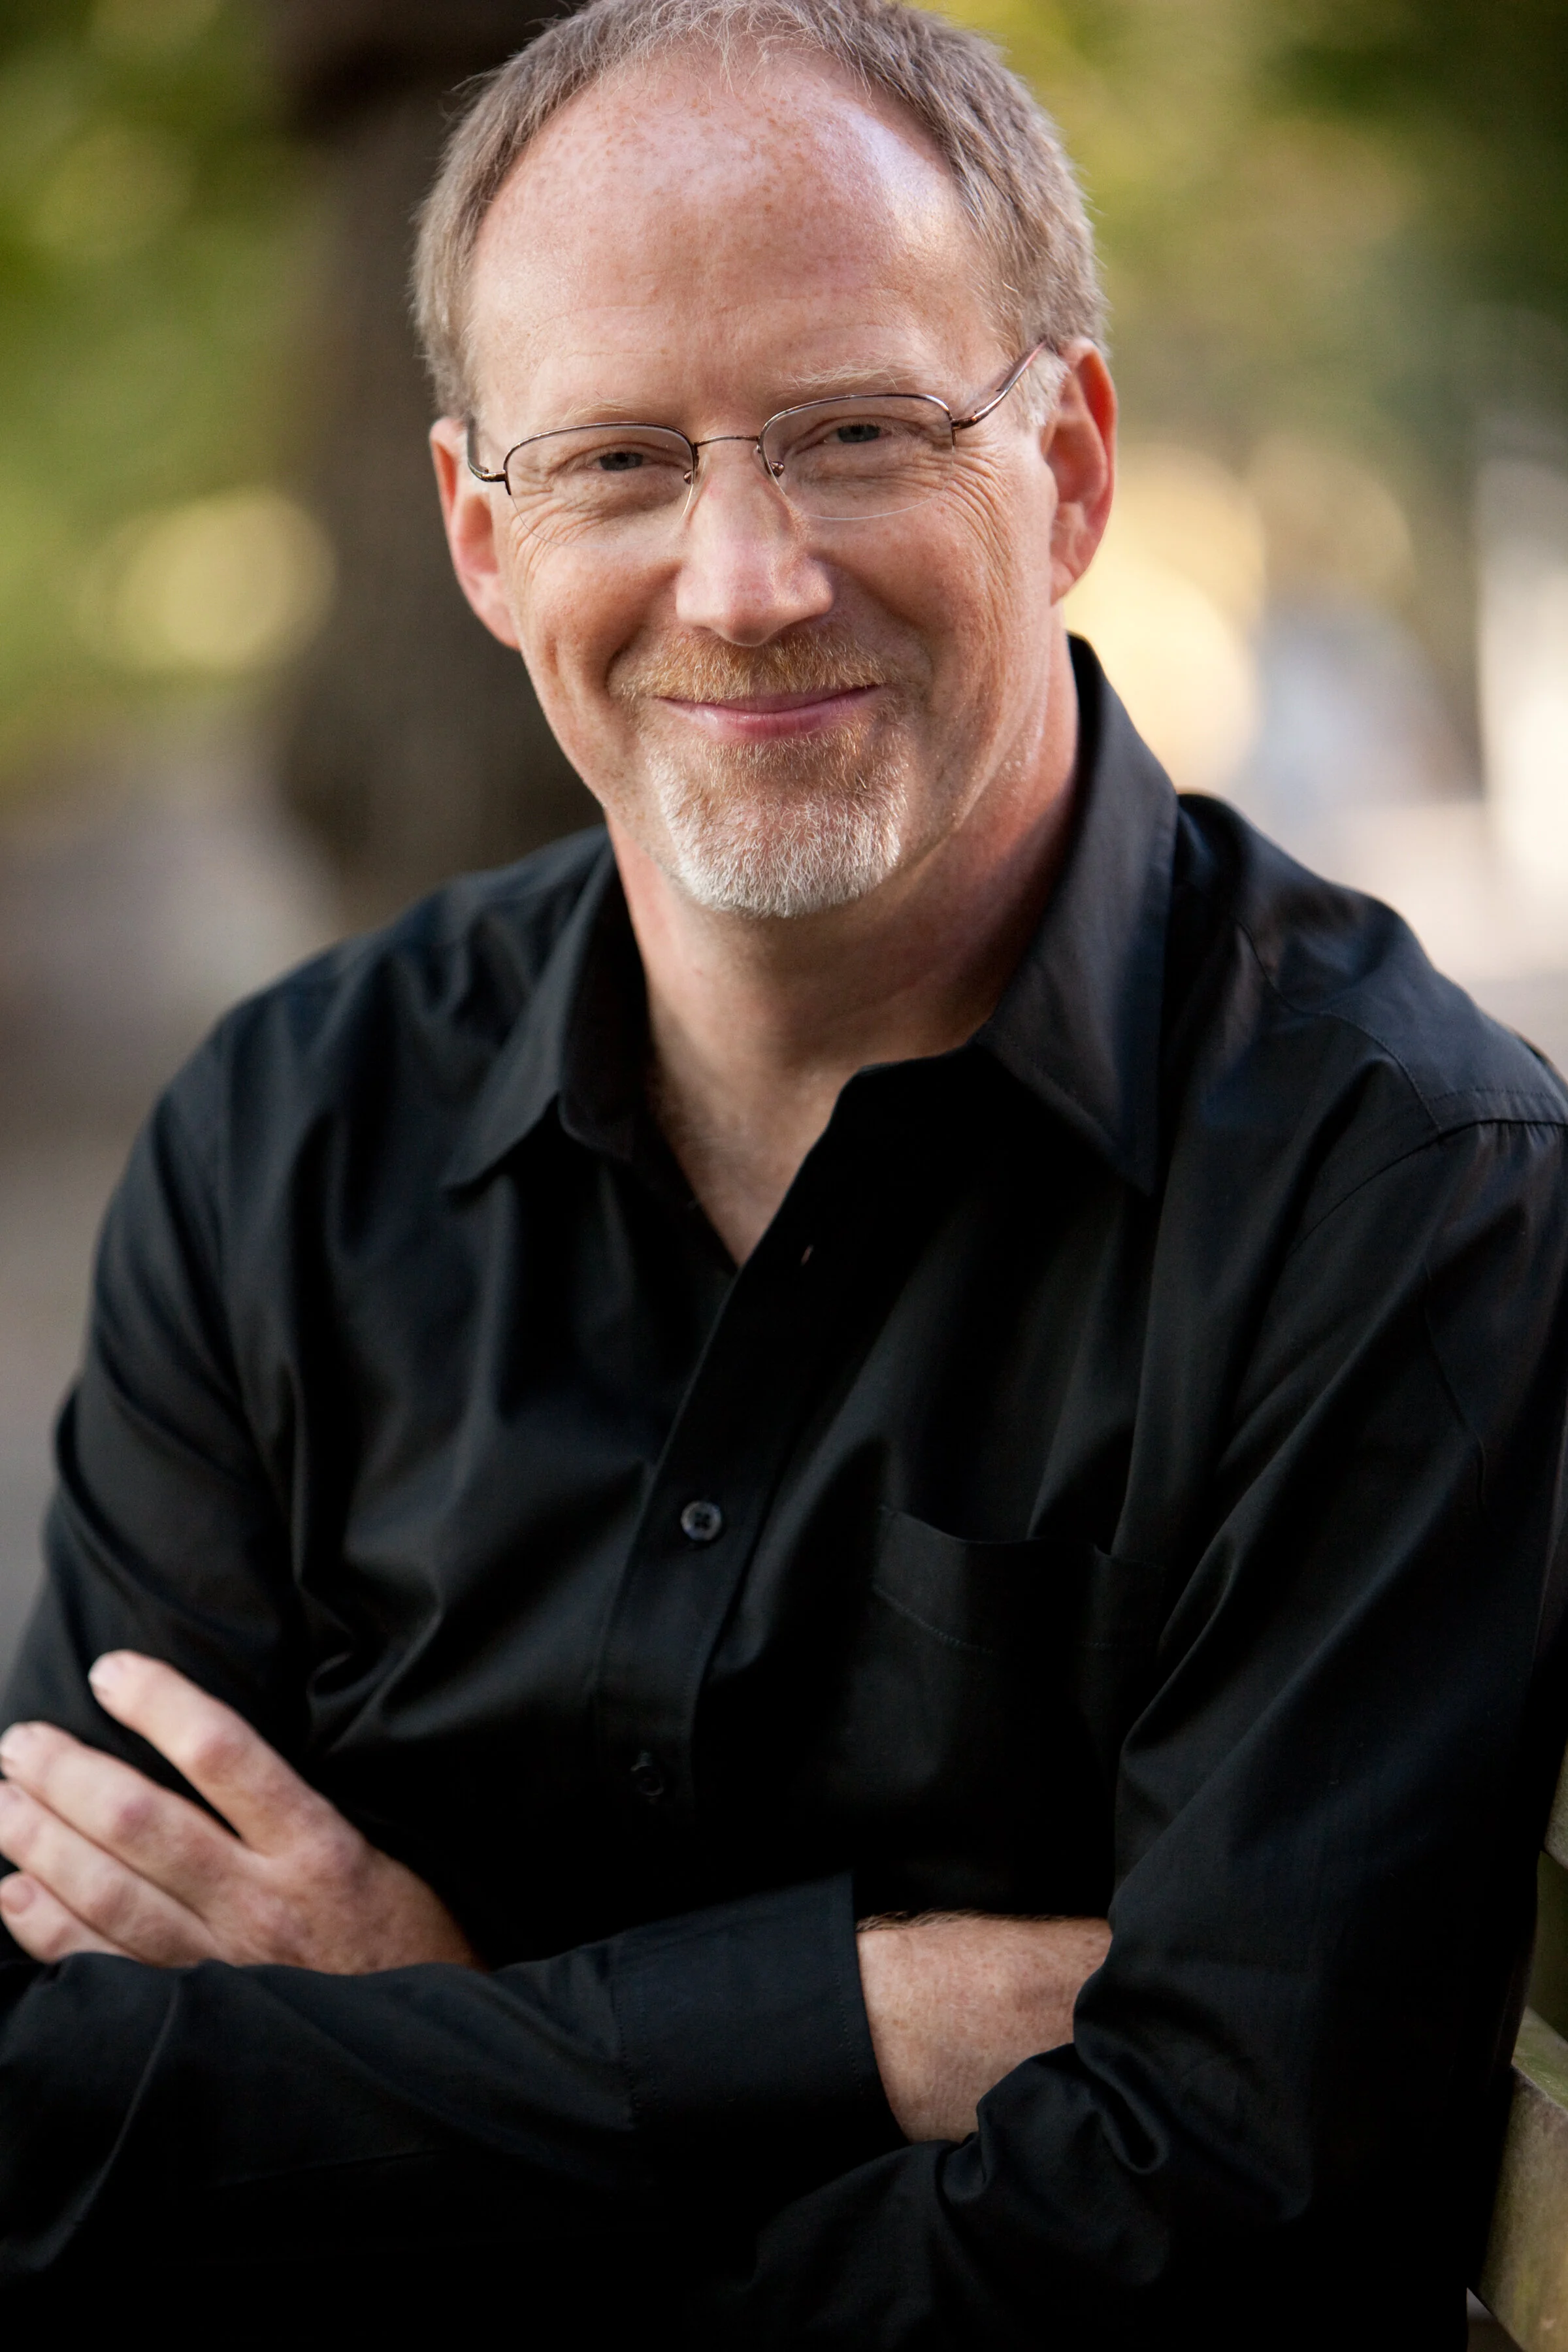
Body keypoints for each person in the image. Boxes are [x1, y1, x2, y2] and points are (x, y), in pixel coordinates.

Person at [0, 0, 1564, 2340]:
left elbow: (1235, 2221)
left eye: (855, 432)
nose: (744, 580)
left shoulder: (1403, 1198)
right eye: (617, 461)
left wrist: (412, 2052)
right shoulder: (286, 1134)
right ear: (483, 539)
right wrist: (865, 2019)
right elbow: (54, 2099)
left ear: (1071, 467)